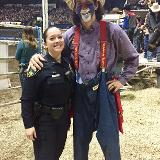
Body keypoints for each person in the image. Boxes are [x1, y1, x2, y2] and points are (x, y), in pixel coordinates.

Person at [29, 0, 139, 159]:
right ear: (75, 8)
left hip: (104, 93)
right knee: (79, 144)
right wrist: (36, 57)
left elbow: (133, 58)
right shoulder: (70, 34)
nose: (85, 7)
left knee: (110, 142)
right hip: (80, 96)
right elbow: (55, 55)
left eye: (89, 2)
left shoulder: (112, 30)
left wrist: (121, 80)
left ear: (96, 5)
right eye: (80, 3)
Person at [21, 26, 74, 160]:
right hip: (44, 122)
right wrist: (28, 125)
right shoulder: (37, 66)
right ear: (45, 44)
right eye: (52, 38)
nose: (57, 40)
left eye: (60, 37)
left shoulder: (68, 63)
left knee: (57, 153)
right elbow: (26, 98)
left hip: (62, 120)